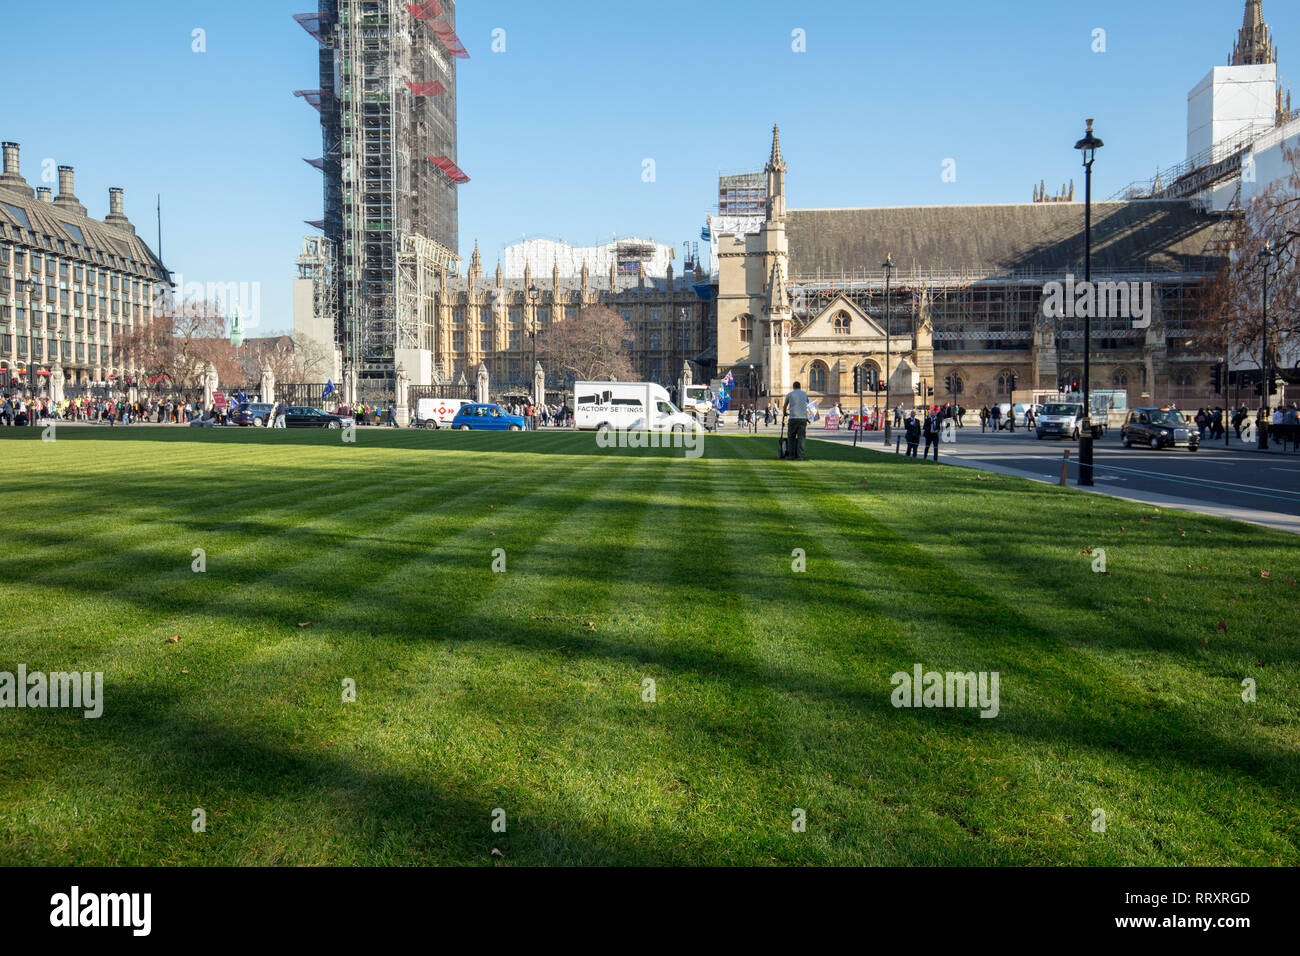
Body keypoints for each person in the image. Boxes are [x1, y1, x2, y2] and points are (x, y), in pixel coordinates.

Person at [782, 381, 810, 461]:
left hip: (793, 418)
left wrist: (784, 413)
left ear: (793, 387)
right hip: (803, 418)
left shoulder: (790, 394)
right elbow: (807, 404)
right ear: (800, 386)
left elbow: (785, 405)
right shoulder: (804, 394)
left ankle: (791, 455)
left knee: (791, 437)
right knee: (801, 437)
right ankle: (800, 456)